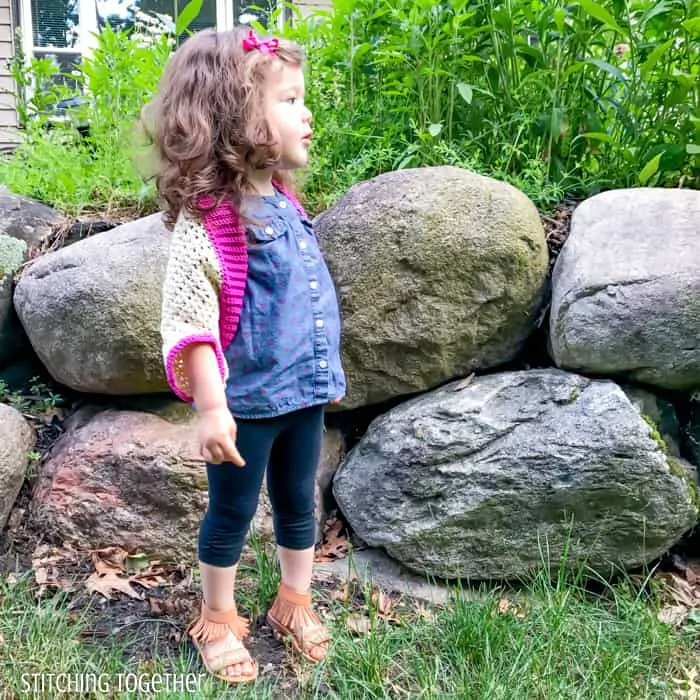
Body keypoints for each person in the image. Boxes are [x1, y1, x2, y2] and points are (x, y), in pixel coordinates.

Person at [147, 25, 346, 685]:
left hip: (304, 394)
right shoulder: (214, 221)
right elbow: (193, 320)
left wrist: (324, 372)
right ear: (236, 117)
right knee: (231, 510)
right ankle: (219, 615)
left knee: (298, 500)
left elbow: (306, 300)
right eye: (290, 101)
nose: (306, 113)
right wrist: (210, 407)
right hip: (248, 405)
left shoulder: (285, 201)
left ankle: (294, 601)